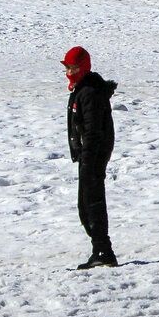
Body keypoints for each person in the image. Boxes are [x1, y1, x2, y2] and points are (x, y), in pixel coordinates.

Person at [62, 47, 118, 269]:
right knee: (86, 204)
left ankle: (103, 251)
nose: (69, 73)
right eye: (67, 68)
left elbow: (93, 130)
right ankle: (101, 249)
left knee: (90, 203)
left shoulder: (90, 93)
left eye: (73, 68)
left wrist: (88, 158)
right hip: (90, 153)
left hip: (93, 153)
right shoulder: (83, 88)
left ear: (83, 68)